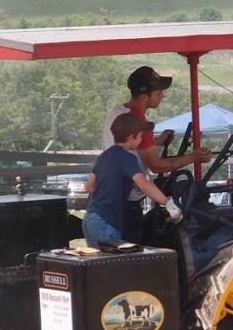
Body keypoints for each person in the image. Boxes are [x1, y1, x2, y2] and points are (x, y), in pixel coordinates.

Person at [103, 66, 212, 242]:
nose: (163, 96)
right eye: (159, 92)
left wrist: (157, 141)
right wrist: (194, 157)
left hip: (107, 200)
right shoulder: (138, 121)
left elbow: (130, 144)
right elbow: (156, 165)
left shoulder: (117, 113)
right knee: (128, 258)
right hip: (126, 203)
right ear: (145, 96)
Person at [83, 113, 173, 249]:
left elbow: (89, 187)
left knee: (96, 267)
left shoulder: (104, 156)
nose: (142, 139)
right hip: (107, 222)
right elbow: (143, 185)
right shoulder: (128, 158)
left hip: (91, 219)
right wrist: (167, 203)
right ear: (131, 137)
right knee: (111, 266)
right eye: (141, 136)